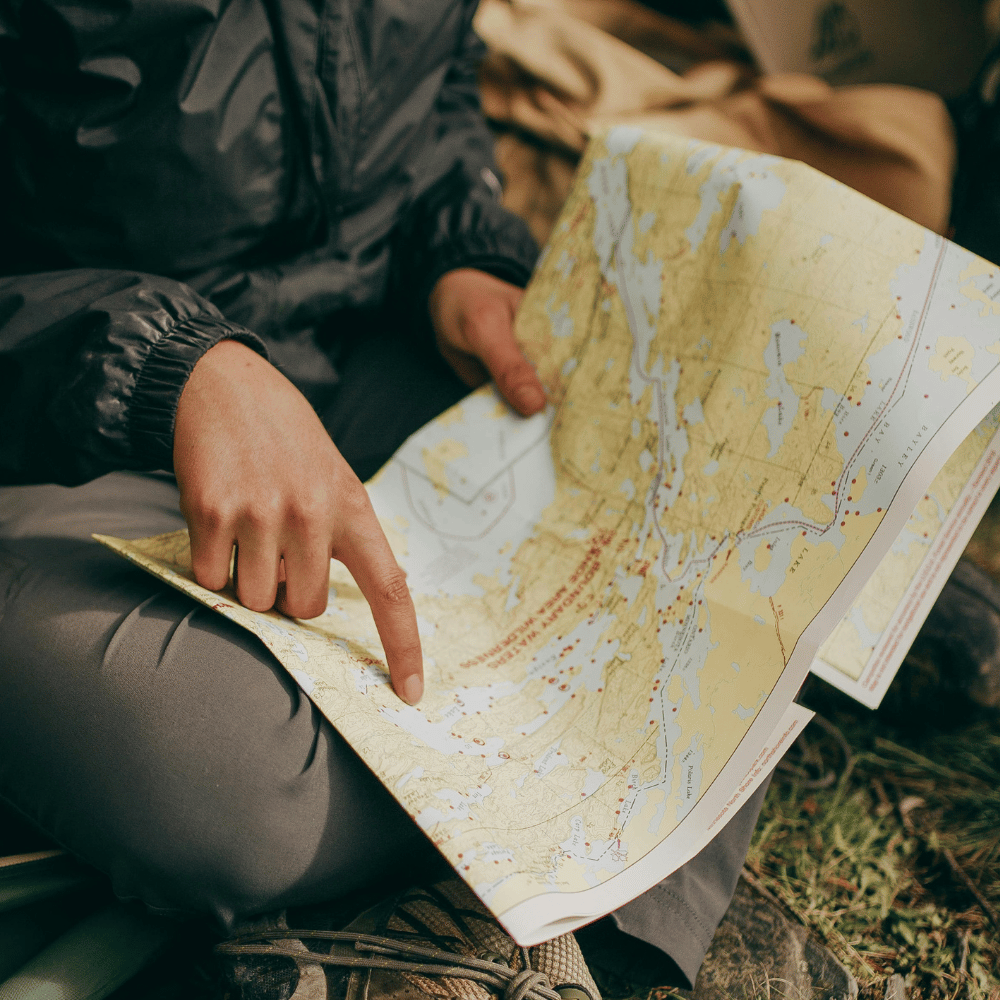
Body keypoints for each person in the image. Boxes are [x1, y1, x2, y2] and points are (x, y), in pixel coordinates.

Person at [0, 0, 801, 996]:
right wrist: (167, 366)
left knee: (723, 533)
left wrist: (457, 250)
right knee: (221, 781)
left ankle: (549, 957)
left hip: (360, 355)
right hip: (56, 432)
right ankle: (530, 879)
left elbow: (433, 98)